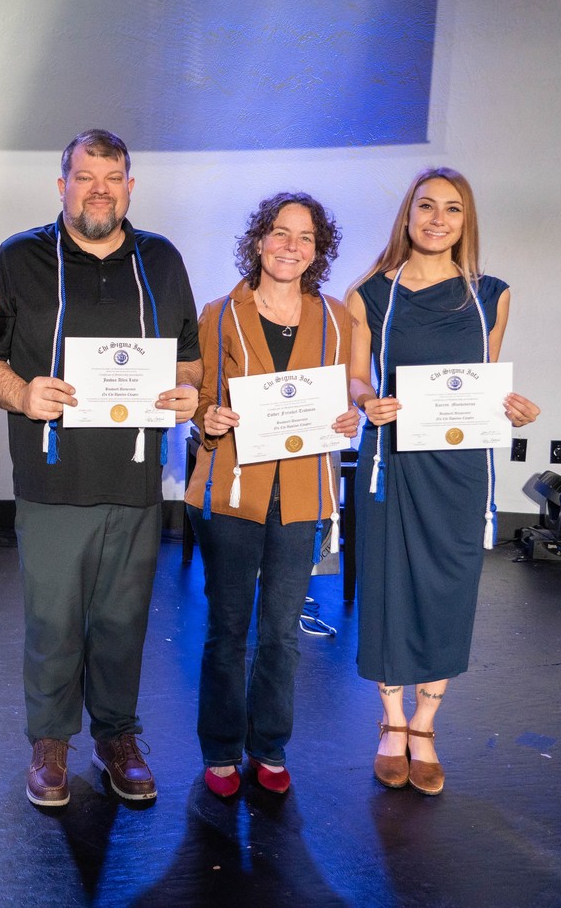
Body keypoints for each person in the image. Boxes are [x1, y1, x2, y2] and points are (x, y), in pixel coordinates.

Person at [0, 129, 201, 807]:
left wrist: (187, 392)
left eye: (112, 178)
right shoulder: (19, 257)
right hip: (53, 477)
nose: (99, 190)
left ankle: (117, 738)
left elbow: (189, 360)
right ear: (62, 184)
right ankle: (50, 741)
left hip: (135, 479)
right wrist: (24, 395)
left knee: (123, 623)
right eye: (84, 177)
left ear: (130, 186)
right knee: (52, 623)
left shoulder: (162, 260)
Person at [348, 167, 540, 795]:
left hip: (458, 464)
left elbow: (483, 380)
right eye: (426, 206)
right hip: (392, 457)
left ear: (466, 221)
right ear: (407, 216)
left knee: (448, 586)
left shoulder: (491, 295)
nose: (438, 219)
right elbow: (356, 376)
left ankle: (427, 722)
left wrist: (510, 407)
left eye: (452, 209)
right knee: (387, 581)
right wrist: (367, 399)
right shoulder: (370, 294)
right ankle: (392, 722)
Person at [183, 192, 359, 799]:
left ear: (318, 250)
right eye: (281, 233)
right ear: (259, 241)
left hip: (304, 495)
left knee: (282, 633)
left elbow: (343, 396)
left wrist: (348, 418)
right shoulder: (219, 314)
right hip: (232, 492)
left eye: (306, 237)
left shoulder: (336, 318)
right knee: (228, 629)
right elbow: (201, 396)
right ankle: (221, 750)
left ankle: (270, 747)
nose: (292, 246)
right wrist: (207, 417)